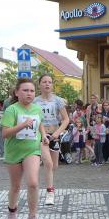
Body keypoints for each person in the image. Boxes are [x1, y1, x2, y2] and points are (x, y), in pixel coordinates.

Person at [1, 78, 48, 219]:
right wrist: (22, 125)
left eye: (32, 91)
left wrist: (44, 135)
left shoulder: (37, 109)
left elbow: (40, 123)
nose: (29, 93)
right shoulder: (12, 110)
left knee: (33, 183)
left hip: (32, 150)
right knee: (15, 186)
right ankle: (12, 212)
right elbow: (5, 133)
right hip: (14, 151)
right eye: (25, 90)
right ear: (17, 92)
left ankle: (32, 217)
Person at [34, 74, 70, 205]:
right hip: (41, 136)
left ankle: (48, 180)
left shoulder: (58, 101)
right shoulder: (35, 101)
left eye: (49, 82)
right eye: (44, 82)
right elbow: (36, 119)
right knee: (48, 163)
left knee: (54, 166)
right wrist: (43, 134)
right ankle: (50, 192)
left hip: (55, 135)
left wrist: (57, 133)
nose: (47, 84)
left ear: (52, 85)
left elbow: (66, 119)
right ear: (39, 84)